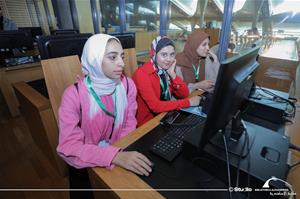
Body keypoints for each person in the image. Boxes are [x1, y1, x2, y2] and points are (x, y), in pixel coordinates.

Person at [57, 34, 152, 198]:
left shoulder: (127, 85)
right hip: (85, 162)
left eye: (121, 56)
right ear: (94, 60)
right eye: (112, 57)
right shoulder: (73, 95)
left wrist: (119, 150)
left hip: (120, 150)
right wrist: (113, 156)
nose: (121, 63)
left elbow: (129, 121)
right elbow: (69, 148)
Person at [132, 36, 201, 126]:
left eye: (172, 54)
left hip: (164, 116)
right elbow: (156, 106)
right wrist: (189, 102)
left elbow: (185, 94)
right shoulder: (142, 74)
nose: (169, 59)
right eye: (164, 55)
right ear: (154, 54)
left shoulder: (165, 70)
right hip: (147, 125)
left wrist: (172, 74)